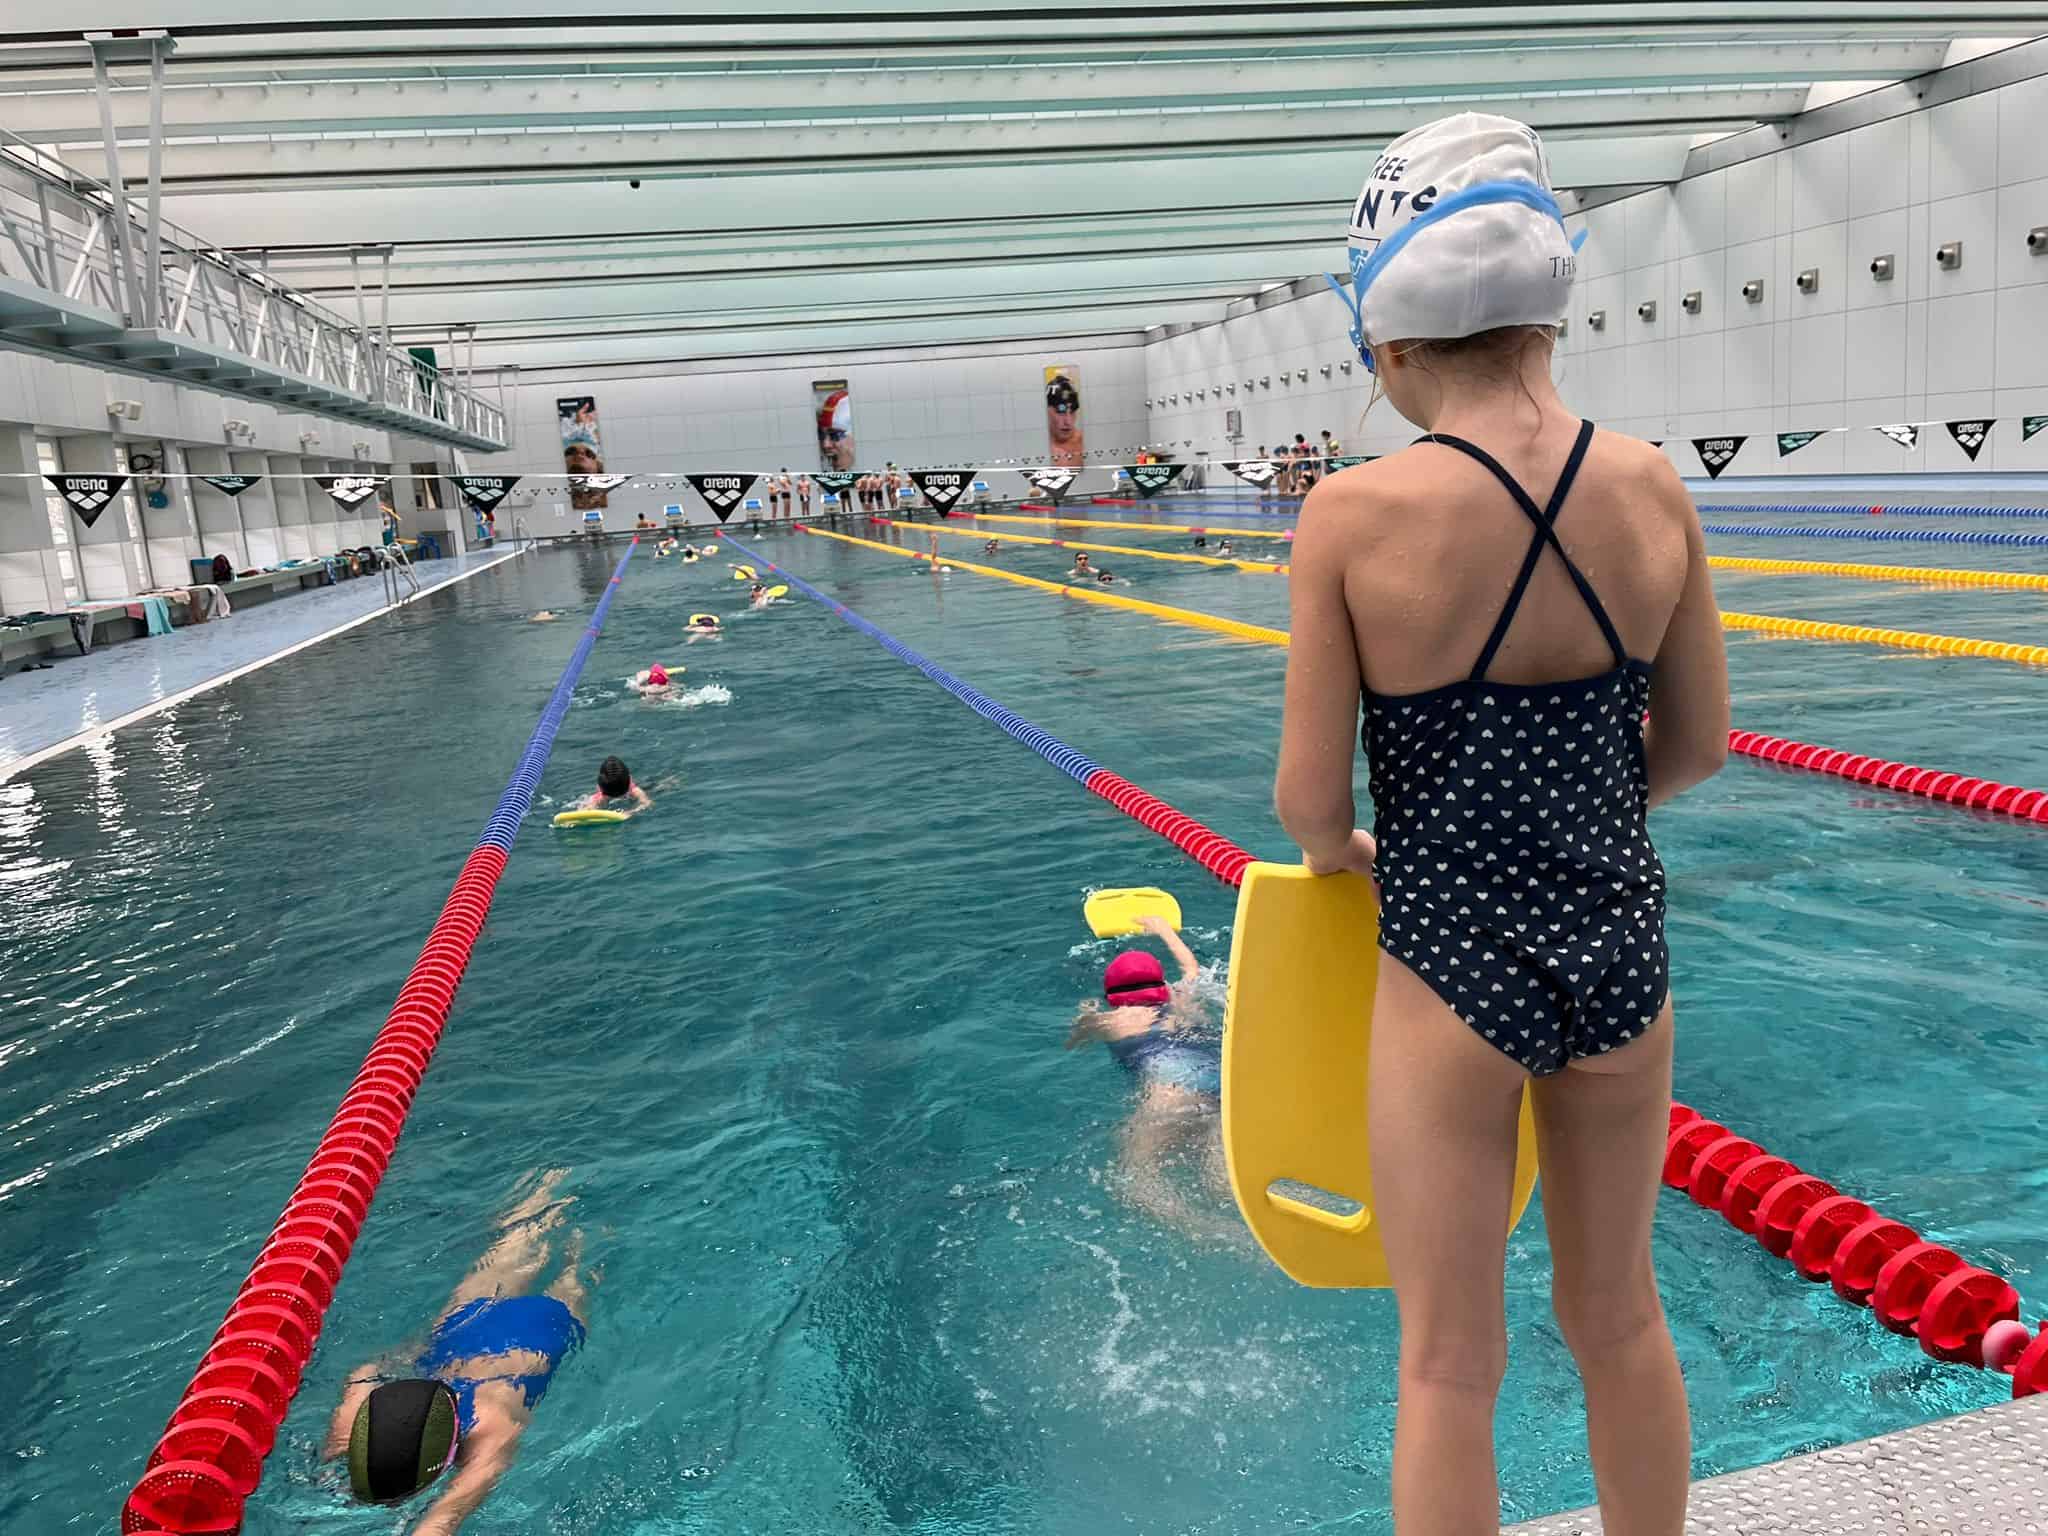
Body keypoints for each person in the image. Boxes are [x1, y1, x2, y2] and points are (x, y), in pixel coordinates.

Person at [1272, 112, 1728, 1536]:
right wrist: (1575, 820)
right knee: (1620, 1318)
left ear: (1392, 345)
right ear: (1547, 313)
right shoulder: (1652, 484)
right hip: (1620, 948)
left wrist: (1350, 856)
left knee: (1450, 1364)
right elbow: (1700, 747)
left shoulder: (1353, 513)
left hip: (1451, 959)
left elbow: (1308, 805)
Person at [324, 1172, 590, 1536]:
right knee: (516, 1243)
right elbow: (364, 1373)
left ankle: (581, 1237)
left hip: (539, 1332)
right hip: (460, 1331)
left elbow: (443, 1520)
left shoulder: (492, 1427)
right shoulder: (357, 1417)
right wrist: (338, 1444)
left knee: (577, 1272)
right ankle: (547, 1182)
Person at [1066, 916, 1229, 1237]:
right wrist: (1165, 931)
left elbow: (1074, 1043)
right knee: (1220, 1177)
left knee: (1135, 1180)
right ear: (1161, 985)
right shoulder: (1184, 998)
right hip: (1222, 1090)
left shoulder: (1109, 1021)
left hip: (1169, 1097)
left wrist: (1084, 1012)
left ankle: (1215, 1234)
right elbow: (1192, 970)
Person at [580, 756, 653, 815]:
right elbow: (647, 804)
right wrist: (631, 812)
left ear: (599, 787)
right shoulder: (635, 790)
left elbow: (586, 811)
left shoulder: (598, 798)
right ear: (630, 779)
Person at [1046, 372, 1084, 466]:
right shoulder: (1038, 446)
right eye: (1060, 412)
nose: (1068, 422)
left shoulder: (1085, 443)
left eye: (1072, 412)